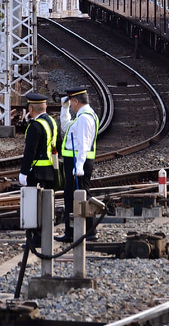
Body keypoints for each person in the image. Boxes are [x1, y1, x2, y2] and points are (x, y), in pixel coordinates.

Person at [60, 86, 99, 242]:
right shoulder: (82, 116)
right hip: (75, 162)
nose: (71, 105)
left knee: (81, 197)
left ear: (76, 101)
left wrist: (80, 165)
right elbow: (65, 127)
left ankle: (87, 232)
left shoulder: (84, 118)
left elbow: (84, 144)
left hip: (78, 162)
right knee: (72, 197)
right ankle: (74, 232)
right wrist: (64, 109)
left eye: (71, 102)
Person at [18, 92, 58, 189]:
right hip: (50, 170)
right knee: (47, 201)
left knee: (33, 202)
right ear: (45, 107)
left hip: (36, 173)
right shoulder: (52, 122)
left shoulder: (35, 126)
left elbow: (30, 151)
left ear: (31, 108)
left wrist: (23, 172)